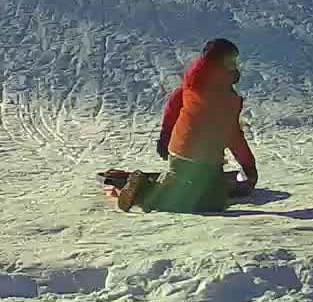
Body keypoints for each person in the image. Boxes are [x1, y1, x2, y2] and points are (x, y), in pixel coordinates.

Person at [108, 38, 259, 212]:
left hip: (179, 151)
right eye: (231, 61)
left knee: (187, 183)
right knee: (213, 202)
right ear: (220, 64)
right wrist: (248, 165)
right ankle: (143, 191)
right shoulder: (227, 100)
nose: (235, 66)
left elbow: (173, 106)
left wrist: (165, 136)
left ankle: (167, 183)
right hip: (206, 160)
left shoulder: (193, 84)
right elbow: (233, 135)